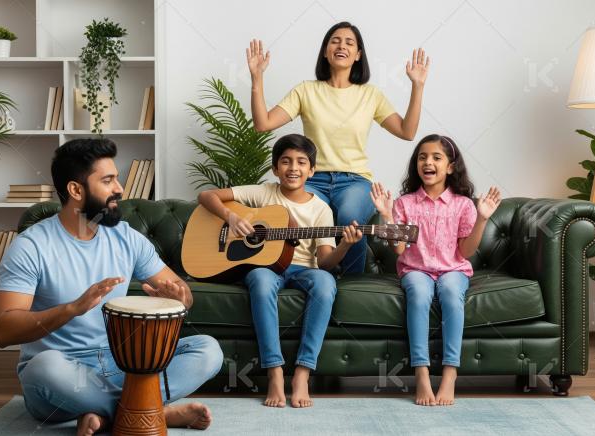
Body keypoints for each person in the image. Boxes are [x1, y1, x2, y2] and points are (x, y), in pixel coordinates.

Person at [0, 138, 224, 435]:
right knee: (42, 367)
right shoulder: (31, 246)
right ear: (76, 190)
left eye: (117, 178)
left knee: (208, 349)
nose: (120, 189)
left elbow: (179, 288)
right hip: (64, 373)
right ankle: (153, 412)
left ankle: (106, 411)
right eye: (108, 180)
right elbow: (1, 330)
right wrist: (71, 309)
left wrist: (179, 297)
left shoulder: (126, 237)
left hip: (122, 365)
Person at [247, 21, 429, 274]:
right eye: (335, 41)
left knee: (350, 218)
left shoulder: (370, 95)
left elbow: (406, 132)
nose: (341, 45)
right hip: (312, 179)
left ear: (358, 55)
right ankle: (307, 279)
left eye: (349, 43)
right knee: (295, 216)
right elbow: (263, 123)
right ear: (325, 51)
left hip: (354, 181)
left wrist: (417, 87)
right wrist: (257, 79)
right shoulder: (306, 91)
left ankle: (351, 287)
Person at [197, 134, 362, 408]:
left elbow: (325, 263)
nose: (293, 168)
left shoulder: (320, 209)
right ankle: (274, 373)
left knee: (325, 283)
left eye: (301, 162)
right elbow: (206, 195)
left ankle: (302, 374)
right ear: (275, 168)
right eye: (285, 161)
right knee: (260, 281)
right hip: (266, 268)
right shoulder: (264, 193)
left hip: (304, 270)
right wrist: (231, 216)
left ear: (312, 170)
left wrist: (344, 245)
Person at [370, 134, 501, 406]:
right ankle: (421, 374)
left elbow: (465, 252)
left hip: (453, 269)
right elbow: (398, 251)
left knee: (452, 294)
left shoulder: (463, 205)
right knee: (418, 294)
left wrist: (483, 219)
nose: (428, 162)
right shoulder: (405, 203)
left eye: (436, 157)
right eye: (422, 157)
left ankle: (450, 375)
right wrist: (387, 215)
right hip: (415, 269)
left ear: (451, 167)